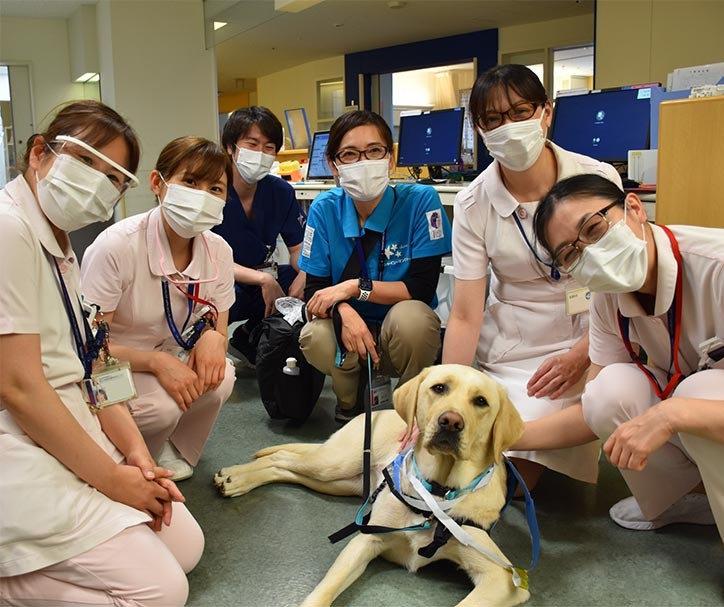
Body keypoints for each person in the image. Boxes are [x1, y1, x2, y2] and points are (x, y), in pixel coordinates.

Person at [516, 173, 724, 607]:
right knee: (610, 389)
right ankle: (683, 500)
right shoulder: (610, 297)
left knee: (700, 392)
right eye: (571, 253)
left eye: (593, 229)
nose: (590, 252)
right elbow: (596, 410)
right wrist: (503, 435)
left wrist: (673, 414)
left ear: (634, 208)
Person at [0, 100, 203, 605]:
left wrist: (136, 454)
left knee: (187, 548)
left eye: (114, 176)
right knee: (162, 593)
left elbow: (96, 366)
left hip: (72, 421)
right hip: (18, 441)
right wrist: (112, 479)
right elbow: (19, 389)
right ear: (40, 153)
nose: (98, 182)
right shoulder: (9, 229)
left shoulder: (61, 247)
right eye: (87, 160)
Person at [442, 64, 622, 488]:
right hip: (515, 349)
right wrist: (447, 393)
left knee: (517, 466)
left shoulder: (597, 178)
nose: (508, 127)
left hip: (593, 338)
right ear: (479, 130)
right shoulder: (473, 203)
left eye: (520, 112)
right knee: (479, 464)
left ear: (546, 112)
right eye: (492, 119)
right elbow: (465, 315)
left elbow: (623, 285)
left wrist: (582, 354)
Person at [82, 136, 236, 481]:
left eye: (215, 188)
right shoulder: (117, 246)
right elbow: (89, 349)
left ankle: (172, 445)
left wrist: (215, 338)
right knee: (161, 407)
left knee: (221, 374)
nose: (202, 196)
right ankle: (125, 456)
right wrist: (156, 362)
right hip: (107, 366)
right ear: (158, 183)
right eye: (190, 182)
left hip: (170, 352)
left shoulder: (219, 251)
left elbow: (219, 324)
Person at [299, 110, 451, 423]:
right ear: (334, 164)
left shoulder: (421, 201)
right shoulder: (324, 209)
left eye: (374, 151)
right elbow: (315, 290)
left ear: (390, 159)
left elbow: (421, 288)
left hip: (400, 331)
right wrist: (345, 312)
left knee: (415, 320)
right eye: (350, 154)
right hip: (348, 332)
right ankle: (348, 401)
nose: (363, 161)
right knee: (315, 335)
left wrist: (355, 288)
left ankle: (409, 410)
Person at [213, 106, 307, 367]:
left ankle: (250, 336)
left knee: (311, 283)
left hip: (262, 275)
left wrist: (305, 272)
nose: (261, 154)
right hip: (222, 279)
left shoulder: (280, 192)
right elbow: (205, 258)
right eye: (252, 144)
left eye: (269, 147)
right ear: (230, 147)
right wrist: (262, 279)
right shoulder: (211, 189)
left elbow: (298, 247)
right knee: (216, 295)